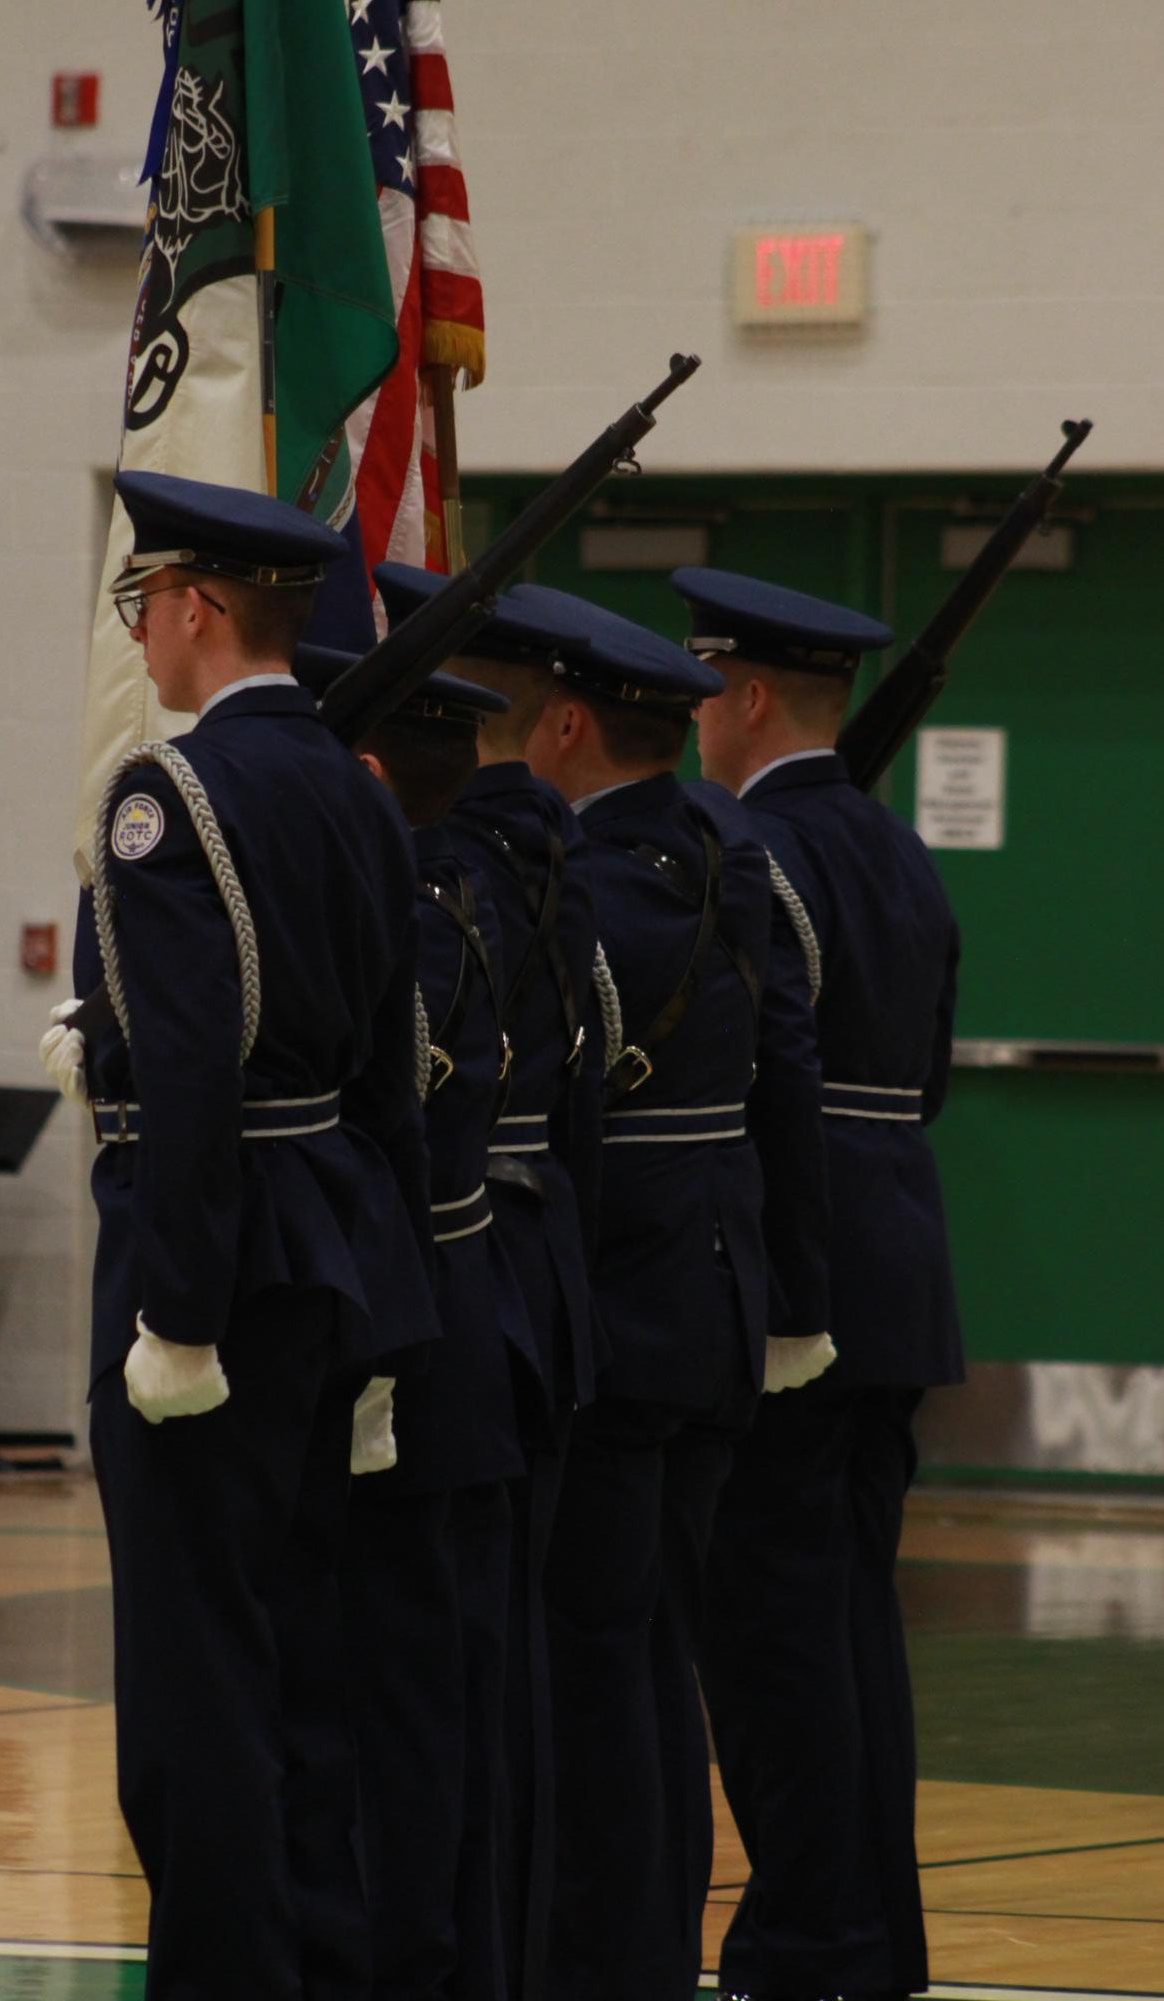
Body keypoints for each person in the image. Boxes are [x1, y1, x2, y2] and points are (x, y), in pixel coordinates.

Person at [63, 471, 440, 2001]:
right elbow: (389, 1068)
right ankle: (317, 1964)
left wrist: (176, 1317)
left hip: (213, 1267)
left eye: (143, 595)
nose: (139, 627)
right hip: (337, 1254)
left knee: (194, 1684)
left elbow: (198, 1069)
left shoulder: (171, 798)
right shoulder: (357, 786)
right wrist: (390, 1306)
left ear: (195, 606)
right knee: (303, 1656)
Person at [508, 587, 829, 2001]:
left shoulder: (584, 884)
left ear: (567, 722)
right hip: (714, 1291)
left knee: (600, 1658)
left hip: (622, 1307)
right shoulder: (726, 853)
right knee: (655, 1654)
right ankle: (645, 1948)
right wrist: (793, 1294)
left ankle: (607, 1953)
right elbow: (791, 1087)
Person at [672, 564, 964, 2001]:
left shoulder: (750, 850)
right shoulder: (899, 852)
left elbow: (754, 1081)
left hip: (800, 1278)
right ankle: (867, 1935)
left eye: (699, 684)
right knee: (845, 1620)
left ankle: (808, 1938)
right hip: (900, 1259)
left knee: (772, 1630)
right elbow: (928, 1073)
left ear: (746, 697)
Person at [373, 564, 603, 2001]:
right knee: (498, 1668)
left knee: (430, 1678)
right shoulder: (539, 866)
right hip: (533, 1278)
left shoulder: (447, 887)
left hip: (456, 1286)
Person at [296, 642, 528, 2001]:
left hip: (414, 1327)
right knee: (430, 1679)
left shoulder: (416, 914)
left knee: (397, 1686)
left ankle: (409, 1961)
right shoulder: (473, 892)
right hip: (468, 1309)